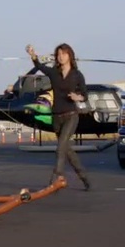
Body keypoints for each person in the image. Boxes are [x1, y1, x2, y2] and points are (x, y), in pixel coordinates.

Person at [26, 43, 91, 190]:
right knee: (67, 150)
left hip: (71, 115)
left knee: (60, 148)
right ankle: (84, 177)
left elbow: (85, 95)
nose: (61, 56)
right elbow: (39, 66)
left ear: (70, 55)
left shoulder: (77, 75)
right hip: (56, 117)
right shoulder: (54, 73)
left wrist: (78, 97)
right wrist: (33, 55)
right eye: (58, 54)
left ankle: (55, 178)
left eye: (64, 53)